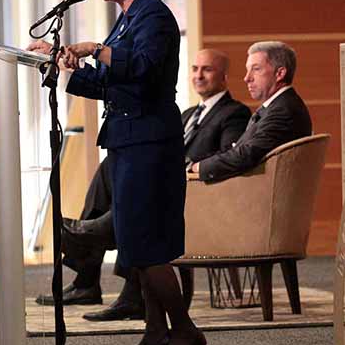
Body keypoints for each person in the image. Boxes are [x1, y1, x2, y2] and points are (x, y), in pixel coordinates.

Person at [29, 0, 205, 345]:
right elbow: (110, 84)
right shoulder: (126, 18)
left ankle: (185, 332)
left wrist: (96, 50)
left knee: (147, 246)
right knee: (132, 245)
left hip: (150, 143)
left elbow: (143, 69)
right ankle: (155, 334)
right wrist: (61, 63)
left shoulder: (154, 16)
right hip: (127, 141)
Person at [36, 49, 252, 323]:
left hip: (192, 196)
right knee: (111, 165)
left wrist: (184, 164)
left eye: (207, 70)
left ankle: (93, 240)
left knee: (140, 200)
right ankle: (87, 274)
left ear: (223, 76)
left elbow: (226, 155)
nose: (199, 75)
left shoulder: (234, 114)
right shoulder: (186, 114)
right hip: (159, 180)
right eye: (195, 68)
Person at [190, 41, 312, 181]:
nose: (247, 78)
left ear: (280, 73)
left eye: (256, 69)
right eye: (247, 70)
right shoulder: (276, 107)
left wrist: (197, 167)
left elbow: (246, 155)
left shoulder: (284, 111)